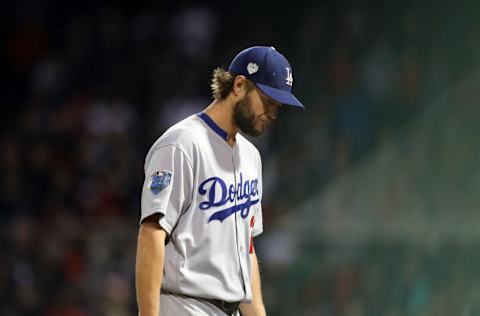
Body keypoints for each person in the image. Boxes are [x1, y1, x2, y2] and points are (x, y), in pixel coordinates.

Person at [135, 46, 305, 316]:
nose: (274, 112)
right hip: (185, 304)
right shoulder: (181, 144)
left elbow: (245, 250)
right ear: (239, 85)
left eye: (278, 105)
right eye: (268, 100)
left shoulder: (251, 157)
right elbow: (152, 234)